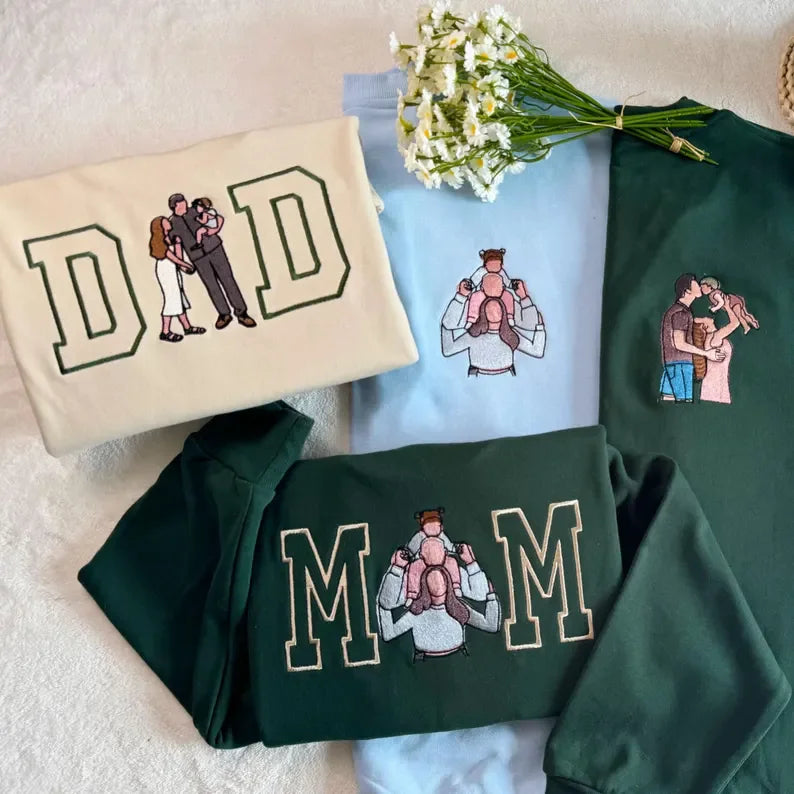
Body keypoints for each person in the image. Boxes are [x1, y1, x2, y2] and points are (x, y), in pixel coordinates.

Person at [377, 543, 500, 660]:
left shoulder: (459, 610)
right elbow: (389, 633)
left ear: (449, 584)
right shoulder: (417, 613)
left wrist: (492, 598)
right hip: (423, 663)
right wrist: (395, 571)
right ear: (423, 586)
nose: (437, 583)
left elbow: (491, 625)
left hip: (460, 658)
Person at [167, 193, 257, 330]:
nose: (185, 204)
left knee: (228, 280)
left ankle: (242, 313)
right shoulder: (172, 223)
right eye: (182, 202)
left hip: (215, 248)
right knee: (211, 286)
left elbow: (219, 218)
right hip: (197, 258)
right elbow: (177, 244)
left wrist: (214, 230)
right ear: (175, 206)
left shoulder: (195, 210)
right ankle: (224, 314)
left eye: (184, 201)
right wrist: (181, 263)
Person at [441, 278, 545, 376]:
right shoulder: (474, 335)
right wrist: (459, 298)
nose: (494, 312)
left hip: (509, 377)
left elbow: (537, 350)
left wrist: (540, 328)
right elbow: (448, 349)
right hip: (476, 376)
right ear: (482, 312)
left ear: (504, 312)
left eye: (498, 309)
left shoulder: (510, 336)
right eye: (490, 310)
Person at [660, 273, 724, 402]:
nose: (700, 285)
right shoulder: (681, 313)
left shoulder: (679, 310)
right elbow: (679, 344)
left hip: (673, 364)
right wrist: (707, 353)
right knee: (683, 403)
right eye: (695, 283)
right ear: (687, 291)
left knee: (669, 402)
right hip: (681, 365)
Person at [148, 216, 205, 343]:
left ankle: (187, 327)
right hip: (166, 271)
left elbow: (178, 257)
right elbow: (174, 258)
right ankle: (165, 331)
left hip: (173, 270)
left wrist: (178, 244)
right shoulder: (160, 243)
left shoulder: (168, 239)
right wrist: (187, 265)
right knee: (171, 300)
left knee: (179, 298)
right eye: (165, 222)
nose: (168, 223)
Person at [694, 300, 741, 404]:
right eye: (704, 318)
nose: (706, 316)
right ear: (704, 325)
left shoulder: (711, 336)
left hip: (713, 383)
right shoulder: (715, 336)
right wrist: (727, 306)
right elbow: (735, 323)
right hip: (717, 384)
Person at [405, 536, 462, 606]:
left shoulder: (450, 561)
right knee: (415, 567)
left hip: (446, 596)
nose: (433, 554)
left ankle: (456, 587)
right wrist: (411, 595)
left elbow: (454, 573)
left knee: (452, 563)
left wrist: (456, 586)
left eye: (437, 551)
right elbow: (413, 577)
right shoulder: (417, 564)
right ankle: (412, 594)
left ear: (445, 552)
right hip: (425, 596)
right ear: (421, 555)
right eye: (428, 552)